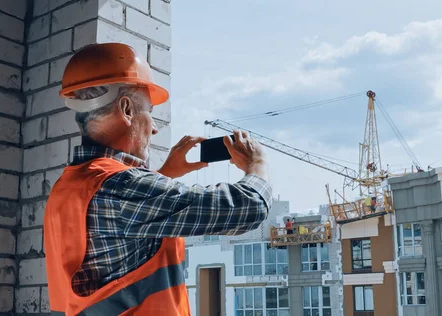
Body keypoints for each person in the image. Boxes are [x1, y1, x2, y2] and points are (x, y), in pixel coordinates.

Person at [43, 43, 272, 315]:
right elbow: (248, 208)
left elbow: (123, 236)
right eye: (149, 111)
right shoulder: (119, 187)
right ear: (127, 110)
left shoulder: (70, 186)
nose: (153, 128)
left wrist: (165, 175)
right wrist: (257, 165)